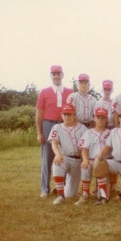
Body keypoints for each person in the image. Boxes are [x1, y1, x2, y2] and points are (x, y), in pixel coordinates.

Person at [36, 65, 73, 198]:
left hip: (64, 125)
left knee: (64, 156)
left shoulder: (70, 92)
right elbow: (39, 113)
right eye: (54, 74)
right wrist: (39, 132)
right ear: (51, 75)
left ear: (62, 75)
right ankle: (45, 188)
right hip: (48, 124)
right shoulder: (44, 92)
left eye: (59, 73)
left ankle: (61, 188)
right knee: (47, 158)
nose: (56, 76)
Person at [48, 104, 87, 204]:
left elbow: (86, 146)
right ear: (62, 115)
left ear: (74, 115)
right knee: (57, 162)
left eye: (69, 114)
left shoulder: (82, 128)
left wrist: (85, 158)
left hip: (78, 160)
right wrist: (57, 154)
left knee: (70, 194)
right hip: (65, 157)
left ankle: (61, 189)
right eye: (64, 114)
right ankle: (60, 195)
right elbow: (54, 143)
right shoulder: (57, 127)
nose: (66, 117)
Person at [75, 107, 111, 205]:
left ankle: (103, 196)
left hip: (103, 162)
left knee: (101, 193)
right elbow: (84, 149)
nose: (100, 120)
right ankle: (85, 194)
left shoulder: (110, 133)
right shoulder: (88, 132)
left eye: (103, 118)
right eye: (98, 117)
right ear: (94, 118)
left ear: (106, 119)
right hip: (90, 160)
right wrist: (85, 160)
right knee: (85, 167)